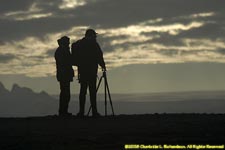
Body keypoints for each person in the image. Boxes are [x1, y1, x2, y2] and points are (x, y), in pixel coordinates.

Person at [72, 29, 106, 117]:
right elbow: (99, 56)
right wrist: (103, 66)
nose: (95, 37)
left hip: (83, 71)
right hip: (91, 71)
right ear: (91, 36)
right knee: (92, 92)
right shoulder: (94, 44)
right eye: (94, 35)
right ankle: (94, 112)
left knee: (83, 91)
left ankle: (81, 112)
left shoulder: (79, 44)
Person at [55, 36, 74, 117]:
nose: (69, 43)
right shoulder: (62, 51)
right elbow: (67, 62)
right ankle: (63, 112)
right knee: (65, 94)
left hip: (63, 75)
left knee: (65, 93)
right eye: (68, 42)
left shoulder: (60, 50)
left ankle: (63, 111)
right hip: (64, 75)